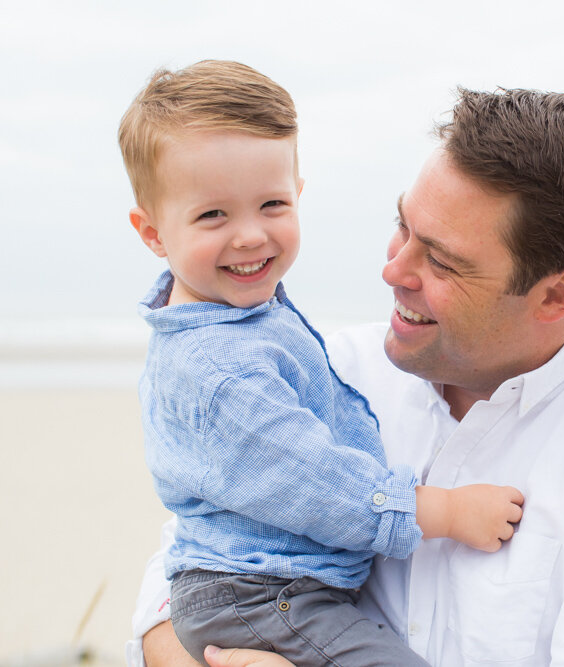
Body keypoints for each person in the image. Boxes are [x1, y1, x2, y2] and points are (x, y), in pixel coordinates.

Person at [129, 87, 564, 667]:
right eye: (402, 225)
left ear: (558, 294)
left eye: (440, 261)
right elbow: (189, 562)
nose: (393, 269)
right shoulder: (334, 369)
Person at [119, 61, 524, 666]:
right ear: (152, 233)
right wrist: (447, 510)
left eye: (272, 204)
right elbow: (314, 482)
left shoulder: (240, 319)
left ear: (299, 194)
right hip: (262, 595)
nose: (250, 235)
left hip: (267, 588)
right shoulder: (222, 372)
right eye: (213, 215)